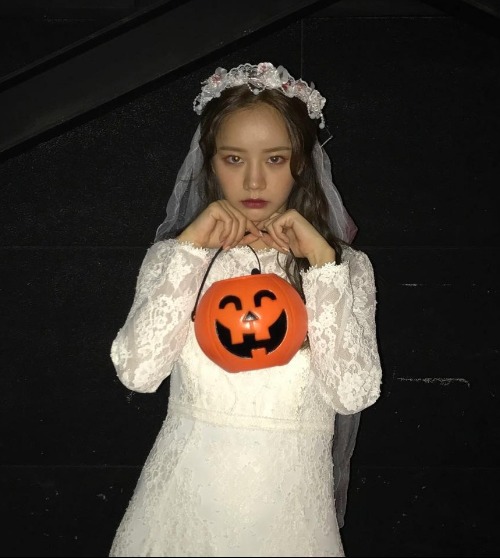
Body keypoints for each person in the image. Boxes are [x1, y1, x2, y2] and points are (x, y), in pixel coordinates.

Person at [109, 62, 383, 557]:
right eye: (234, 159)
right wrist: (190, 253)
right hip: (181, 508)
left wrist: (321, 265)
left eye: (275, 159)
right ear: (210, 162)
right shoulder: (176, 258)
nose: (254, 181)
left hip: (291, 519)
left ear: (301, 163)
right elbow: (138, 373)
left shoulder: (344, 268)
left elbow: (354, 393)